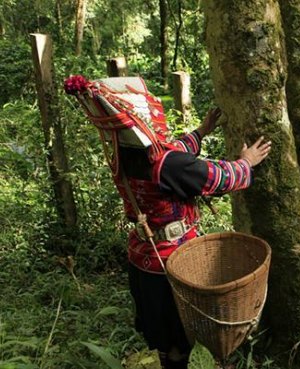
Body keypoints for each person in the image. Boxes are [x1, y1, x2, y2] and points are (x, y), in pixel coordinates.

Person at [64, 75, 271, 369]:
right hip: (172, 264)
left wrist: (201, 132)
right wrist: (246, 162)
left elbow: (173, 151)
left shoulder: (124, 156)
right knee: (178, 339)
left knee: (162, 335)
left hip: (142, 260)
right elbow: (217, 178)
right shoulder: (166, 164)